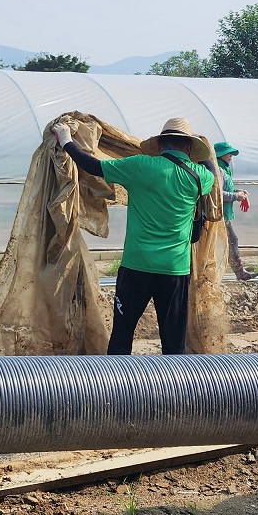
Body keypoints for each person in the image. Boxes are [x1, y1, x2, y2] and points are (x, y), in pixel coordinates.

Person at [52, 117, 216, 355]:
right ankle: (176, 389)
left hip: (137, 266)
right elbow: (211, 166)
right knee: (173, 341)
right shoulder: (201, 176)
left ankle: (117, 388)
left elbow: (94, 166)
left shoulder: (140, 166)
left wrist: (66, 140)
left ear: (159, 145)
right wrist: (202, 150)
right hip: (175, 270)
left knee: (122, 334)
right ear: (189, 149)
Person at [213, 141, 257, 281]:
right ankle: (238, 273)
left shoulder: (225, 169)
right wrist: (235, 196)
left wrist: (239, 192)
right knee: (231, 241)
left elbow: (226, 190)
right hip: (219, 215)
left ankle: (231, 273)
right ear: (220, 155)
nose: (231, 156)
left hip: (223, 215)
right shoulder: (218, 170)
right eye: (228, 153)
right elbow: (217, 193)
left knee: (228, 242)